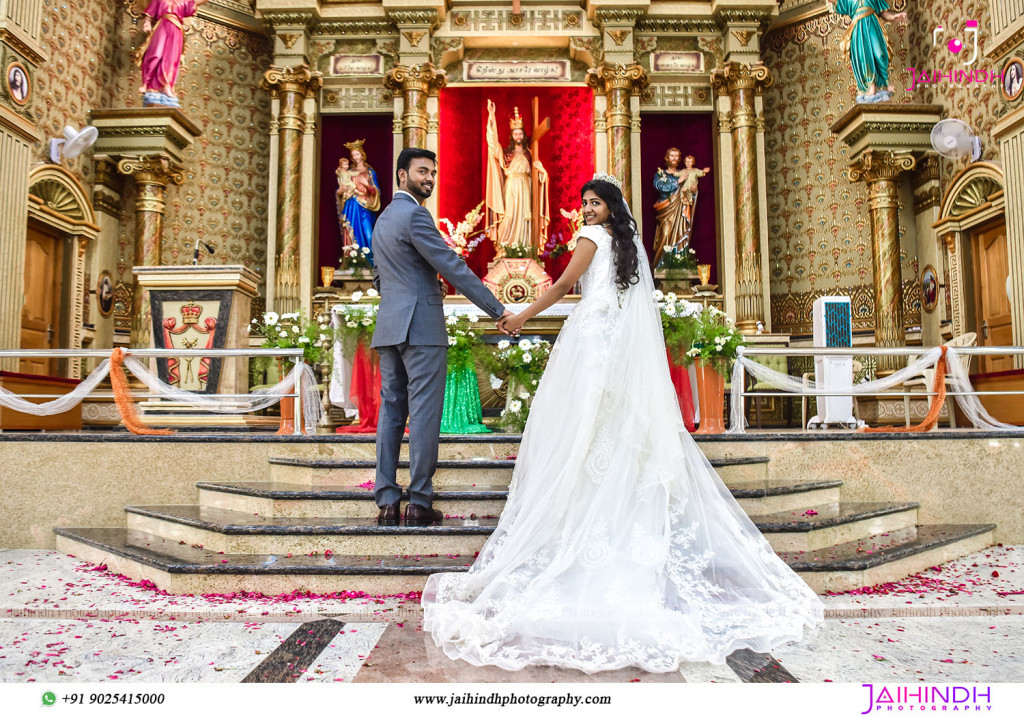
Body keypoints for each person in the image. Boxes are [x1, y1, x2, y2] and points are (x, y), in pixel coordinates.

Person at [421, 173, 824, 672]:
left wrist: (521, 315)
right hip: (610, 340)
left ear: (611, 207)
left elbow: (568, 285)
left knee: (582, 429)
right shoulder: (625, 244)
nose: (587, 210)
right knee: (602, 430)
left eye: (595, 203)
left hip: (591, 343)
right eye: (584, 203)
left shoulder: (591, 238)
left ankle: (580, 518)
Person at [371, 148, 514, 527]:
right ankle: (419, 502)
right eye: (422, 171)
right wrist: (497, 310)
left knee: (391, 413)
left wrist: (412, 285)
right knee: (424, 414)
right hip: (421, 326)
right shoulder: (415, 215)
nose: (429, 178)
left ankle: (387, 502)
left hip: (389, 325)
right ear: (402, 175)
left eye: (433, 171)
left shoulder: (383, 219)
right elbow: (451, 265)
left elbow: (379, 276)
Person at [136, 0, 211, 103]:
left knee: (171, 59)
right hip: (162, 25)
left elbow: (197, 2)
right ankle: (146, 83)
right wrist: (147, 23)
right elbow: (151, 11)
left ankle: (167, 85)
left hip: (176, 29)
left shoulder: (183, 1)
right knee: (155, 54)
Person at [653, 149, 710, 266]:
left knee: (682, 235)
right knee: (666, 234)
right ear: (667, 158)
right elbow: (660, 186)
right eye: (671, 156)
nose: (674, 158)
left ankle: (679, 263)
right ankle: (661, 265)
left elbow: (691, 191)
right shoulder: (661, 174)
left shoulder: (685, 172)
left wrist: (694, 192)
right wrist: (678, 181)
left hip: (682, 210)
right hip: (667, 211)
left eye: (676, 156)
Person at [336, 140, 381, 264]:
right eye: (353, 155)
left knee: (369, 236)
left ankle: (371, 264)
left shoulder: (370, 172)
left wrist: (367, 185)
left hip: (365, 207)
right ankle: (353, 262)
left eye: (357, 154)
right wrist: (340, 191)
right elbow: (341, 188)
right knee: (350, 233)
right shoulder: (348, 172)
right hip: (351, 205)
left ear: (362, 154)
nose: (356, 157)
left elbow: (375, 192)